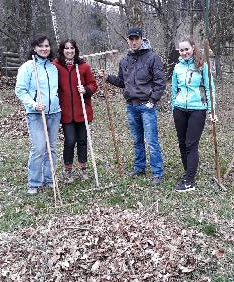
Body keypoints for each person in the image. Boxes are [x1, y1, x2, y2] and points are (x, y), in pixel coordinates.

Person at [101, 27, 166, 186]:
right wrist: (107, 77)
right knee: (137, 140)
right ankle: (139, 168)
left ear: (142, 39)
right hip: (131, 106)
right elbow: (123, 82)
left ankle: (157, 173)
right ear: (127, 40)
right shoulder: (124, 60)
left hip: (147, 106)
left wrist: (153, 101)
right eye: (131, 39)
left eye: (136, 38)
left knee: (151, 141)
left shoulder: (152, 58)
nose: (134, 41)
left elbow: (160, 82)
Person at [15, 35, 61, 195]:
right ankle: (34, 182)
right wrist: (34, 104)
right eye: (40, 46)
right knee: (39, 148)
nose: (44, 48)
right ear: (34, 48)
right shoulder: (28, 67)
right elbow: (20, 90)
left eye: (47, 46)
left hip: (54, 113)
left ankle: (50, 179)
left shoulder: (52, 67)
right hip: (36, 114)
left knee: (51, 148)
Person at [171, 38, 216, 192]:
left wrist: (211, 110)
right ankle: (188, 172)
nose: (184, 53)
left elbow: (210, 89)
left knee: (191, 144)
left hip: (197, 109)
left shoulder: (202, 66)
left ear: (193, 48)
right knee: (182, 143)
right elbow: (174, 90)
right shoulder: (177, 67)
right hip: (179, 109)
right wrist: (173, 107)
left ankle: (189, 181)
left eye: (186, 49)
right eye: (181, 50)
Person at [52, 39, 98, 183]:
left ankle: (83, 168)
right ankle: (68, 171)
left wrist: (86, 89)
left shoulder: (83, 66)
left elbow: (93, 84)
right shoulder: (56, 66)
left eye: (72, 48)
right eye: (66, 48)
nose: (69, 51)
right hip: (66, 112)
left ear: (75, 50)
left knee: (82, 141)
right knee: (70, 141)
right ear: (62, 50)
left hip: (82, 111)